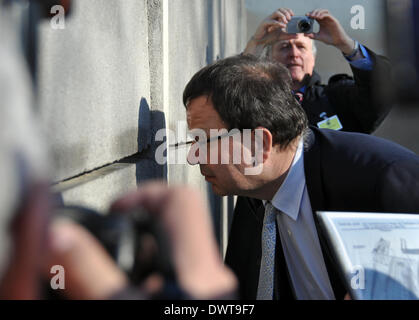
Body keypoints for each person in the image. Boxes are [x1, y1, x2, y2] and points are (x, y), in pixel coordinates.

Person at [182, 54, 419, 300]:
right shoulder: (257, 195)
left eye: (203, 140)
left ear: (258, 144)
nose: (193, 156)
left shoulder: (385, 179)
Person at [244, 8, 391, 134]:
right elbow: (228, 96)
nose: (294, 53)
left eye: (301, 47)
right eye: (284, 47)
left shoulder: (337, 98)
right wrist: (256, 43)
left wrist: (346, 44)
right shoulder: (257, 101)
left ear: (313, 58)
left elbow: (381, 92)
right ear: (269, 59)